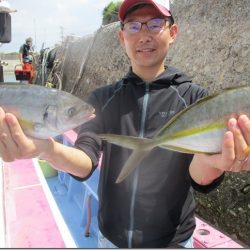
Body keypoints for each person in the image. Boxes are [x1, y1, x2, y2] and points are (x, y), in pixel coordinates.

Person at [0, 0, 250, 248]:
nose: (143, 35)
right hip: (111, 239)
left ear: (172, 33)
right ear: (121, 37)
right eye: (133, 26)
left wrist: (216, 162)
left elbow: (198, 175)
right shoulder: (103, 99)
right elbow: (85, 160)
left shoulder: (194, 99)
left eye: (154, 24)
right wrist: (47, 149)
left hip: (173, 242)